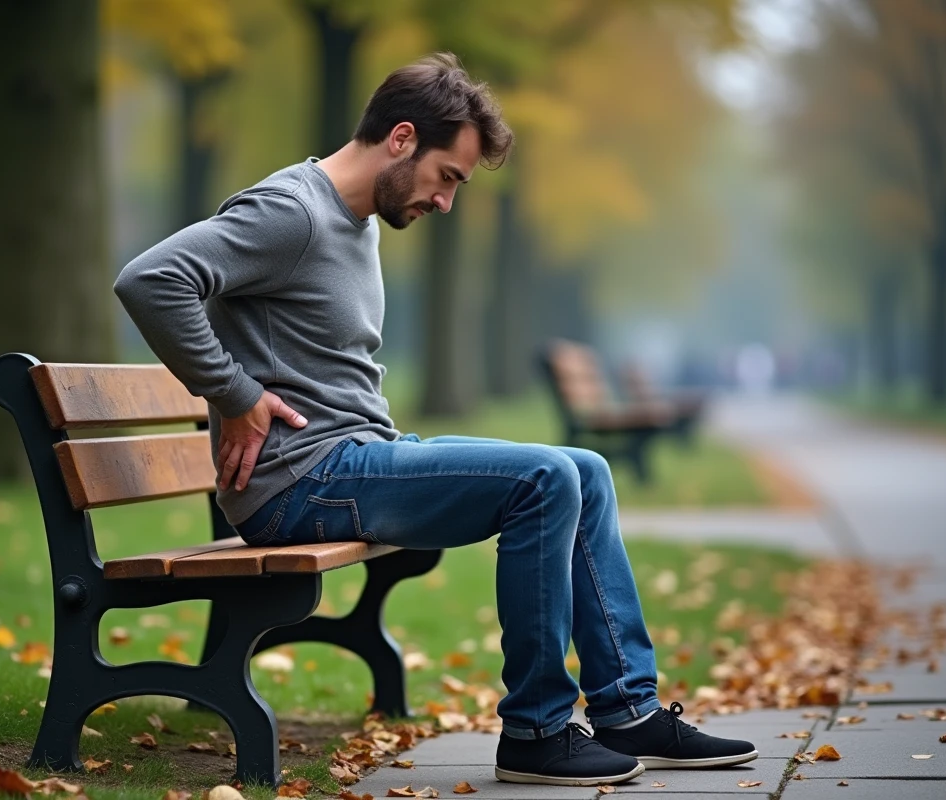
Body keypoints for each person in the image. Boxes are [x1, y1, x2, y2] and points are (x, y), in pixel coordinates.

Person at [114, 52, 757, 788]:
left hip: (351, 463)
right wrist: (233, 393)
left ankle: (627, 710)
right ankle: (537, 732)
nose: (447, 201)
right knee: (545, 478)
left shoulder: (357, 223)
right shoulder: (291, 212)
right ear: (400, 139)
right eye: (447, 177)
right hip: (302, 482)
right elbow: (151, 280)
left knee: (587, 468)